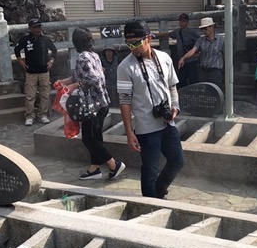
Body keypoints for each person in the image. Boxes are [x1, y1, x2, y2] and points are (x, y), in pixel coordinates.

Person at [117, 20, 184, 199]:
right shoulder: (125, 67)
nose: (132, 48)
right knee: (150, 170)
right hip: (146, 127)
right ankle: (149, 204)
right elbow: (124, 101)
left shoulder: (164, 58)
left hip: (167, 122)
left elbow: (172, 86)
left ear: (148, 38)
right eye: (129, 44)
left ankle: (159, 191)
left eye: (136, 43)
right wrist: (129, 132)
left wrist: (175, 106)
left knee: (177, 161)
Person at [56, 27, 125, 181]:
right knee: (95, 137)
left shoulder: (82, 57)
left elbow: (92, 79)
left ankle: (114, 164)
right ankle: (94, 169)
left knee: (89, 139)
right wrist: (64, 82)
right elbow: (79, 76)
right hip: (102, 103)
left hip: (93, 105)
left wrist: (74, 86)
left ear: (76, 42)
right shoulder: (93, 55)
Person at [14, 19, 58, 126]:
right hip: (30, 72)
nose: (38, 29)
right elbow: (17, 50)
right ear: (30, 28)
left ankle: (43, 115)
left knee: (45, 95)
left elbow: (54, 50)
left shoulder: (45, 39)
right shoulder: (25, 40)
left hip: (44, 71)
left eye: (39, 27)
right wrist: (20, 61)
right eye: (35, 27)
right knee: (30, 95)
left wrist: (51, 61)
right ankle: (29, 116)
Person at [178, 17, 224, 92]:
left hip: (215, 70)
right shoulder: (201, 40)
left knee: (216, 91)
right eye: (202, 29)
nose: (204, 31)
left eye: (205, 28)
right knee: (203, 91)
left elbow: (226, 54)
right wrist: (183, 58)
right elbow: (193, 50)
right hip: (203, 71)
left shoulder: (221, 40)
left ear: (212, 27)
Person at [170, 13, 200, 87]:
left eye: (183, 21)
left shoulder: (192, 33)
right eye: (180, 21)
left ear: (187, 22)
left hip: (192, 60)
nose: (181, 23)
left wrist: (197, 53)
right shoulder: (177, 32)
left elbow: (199, 43)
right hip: (182, 61)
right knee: (181, 80)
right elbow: (168, 34)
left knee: (193, 80)